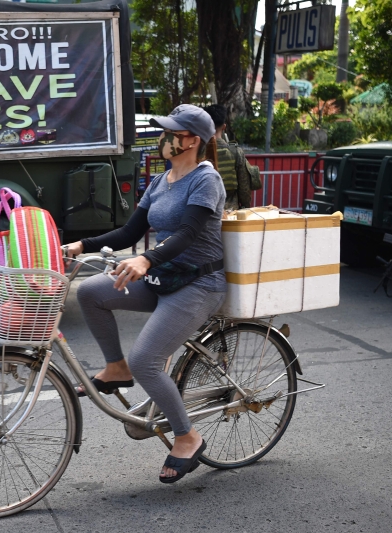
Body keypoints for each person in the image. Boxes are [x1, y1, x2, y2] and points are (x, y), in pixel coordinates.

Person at [64, 104, 227, 484]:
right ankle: (115, 368)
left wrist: (146, 261)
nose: (162, 138)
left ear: (191, 141)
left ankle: (187, 437)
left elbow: (188, 233)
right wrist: (79, 245)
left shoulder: (206, 180)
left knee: (147, 361)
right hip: (165, 276)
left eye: (170, 132)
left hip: (198, 284)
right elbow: (127, 234)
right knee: (91, 292)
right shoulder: (161, 180)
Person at [204, 104, 257, 210]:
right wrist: (246, 207)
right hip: (230, 212)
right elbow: (244, 187)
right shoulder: (235, 152)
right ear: (224, 127)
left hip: (203, 212)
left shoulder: (195, 152)